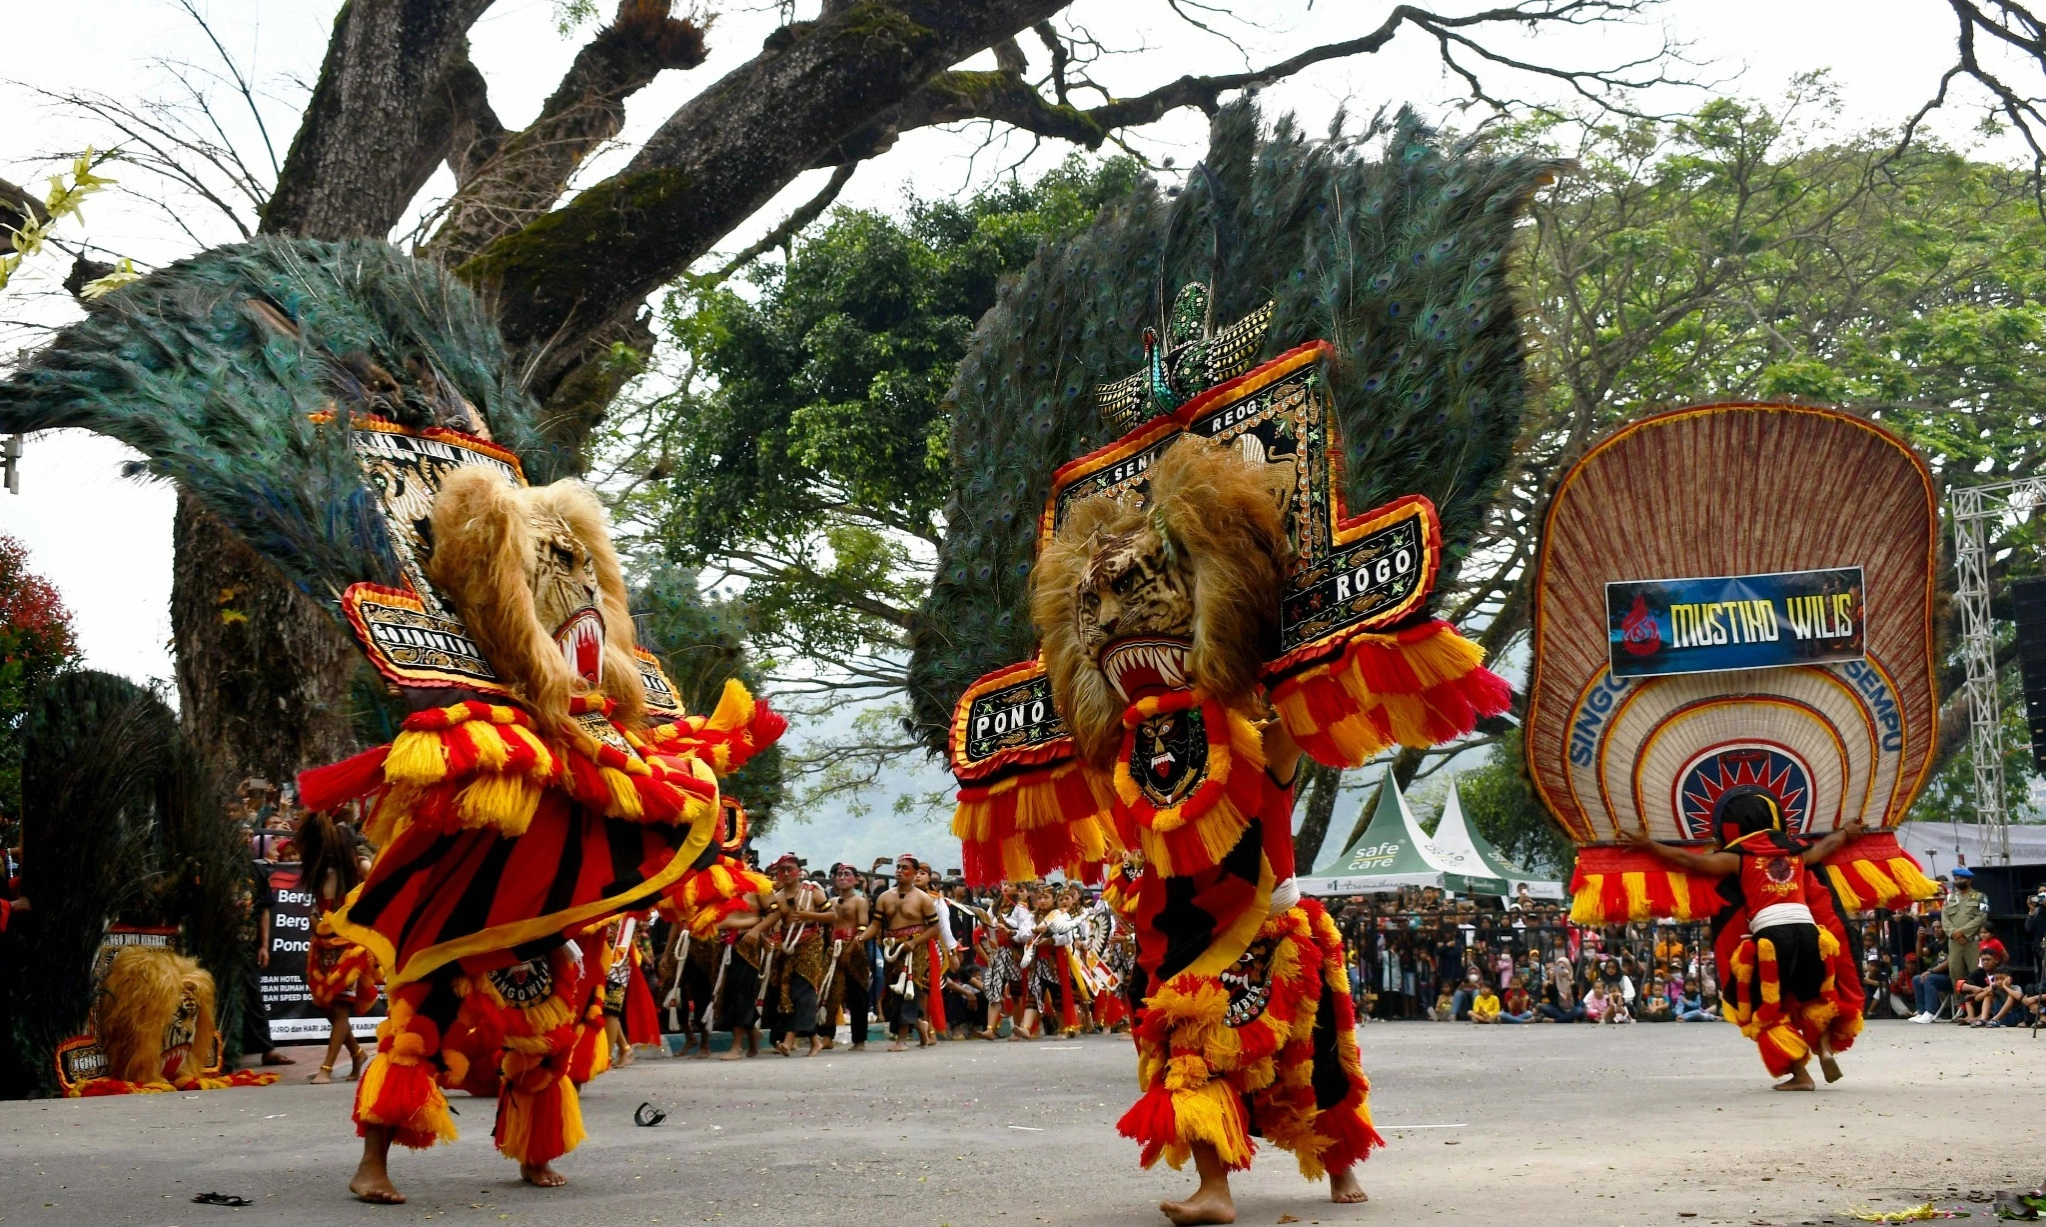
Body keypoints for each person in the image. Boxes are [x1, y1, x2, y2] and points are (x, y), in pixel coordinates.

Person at [1630, 795, 1863, 1089]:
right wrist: (1846, 832)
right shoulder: (1797, 854)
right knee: (1814, 997)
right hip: (1810, 934)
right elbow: (1828, 846)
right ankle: (1825, 1049)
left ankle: (1799, 1075)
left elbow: (1690, 861)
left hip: (1771, 938)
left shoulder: (1740, 857)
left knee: (1765, 1007)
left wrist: (1648, 845)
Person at [296, 810, 379, 1084]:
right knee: (329, 1008)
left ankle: (327, 1068)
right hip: (323, 946)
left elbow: (379, 901)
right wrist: (314, 918)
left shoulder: (361, 867)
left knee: (341, 1008)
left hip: (351, 948)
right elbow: (316, 907)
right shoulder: (320, 873)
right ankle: (356, 1053)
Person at [759, 854, 834, 1058]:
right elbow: (770, 920)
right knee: (789, 993)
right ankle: (814, 1041)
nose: (785, 873)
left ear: (799, 871)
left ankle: (790, 1039)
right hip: (786, 946)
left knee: (803, 991)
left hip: (810, 944)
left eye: (790, 869)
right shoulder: (778, 896)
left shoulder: (812, 892)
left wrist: (809, 916)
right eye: (782, 870)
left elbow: (831, 916)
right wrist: (764, 937)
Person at [873, 854, 942, 1050]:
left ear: (914, 873)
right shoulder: (884, 897)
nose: (899, 871)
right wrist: (860, 938)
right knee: (895, 992)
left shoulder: (923, 899)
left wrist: (915, 942)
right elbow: (875, 925)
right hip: (892, 948)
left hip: (915, 949)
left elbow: (934, 929)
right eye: (898, 867)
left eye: (905, 868)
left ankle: (901, 1040)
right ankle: (920, 1024)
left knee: (909, 991)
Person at [822, 864, 874, 1051]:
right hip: (833, 950)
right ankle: (827, 1036)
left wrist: (850, 950)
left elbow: (863, 927)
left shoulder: (859, 901)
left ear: (856, 879)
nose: (842, 877)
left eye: (847, 874)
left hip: (854, 949)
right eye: (839, 874)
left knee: (857, 994)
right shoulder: (833, 901)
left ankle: (859, 1040)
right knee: (830, 994)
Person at [1941, 867, 1991, 1001]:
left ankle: (1979, 1004)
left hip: (1972, 941)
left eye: (1961, 879)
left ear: (1969, 880)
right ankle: (1961, 1005)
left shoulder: (1981, 897)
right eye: (1956, 879)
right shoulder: (1949, 898)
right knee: (1955, 973)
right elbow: (1944, 919)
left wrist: (1962, 932)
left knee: (1976, 972)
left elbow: (1982, 916)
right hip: (1954, 942)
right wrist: (1953, 933)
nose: (1958, 881)